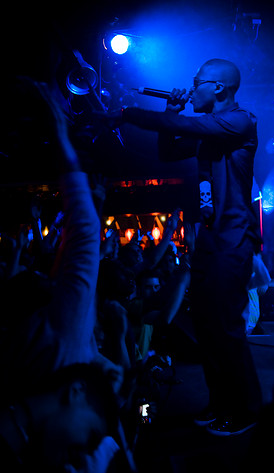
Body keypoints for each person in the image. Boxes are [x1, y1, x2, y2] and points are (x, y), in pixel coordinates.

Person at [102, 58, 263, 435]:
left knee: (226, 327)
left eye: (197, 83)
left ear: (218, 88)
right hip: (210, 237)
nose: (192, 89)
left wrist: (128, 113)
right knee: (207, 326)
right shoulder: (211, 132)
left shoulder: (240, 121)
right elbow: (169, 151)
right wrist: (170, 109)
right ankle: (220, 402)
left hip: (232, 236)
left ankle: (247, 410)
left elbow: (182, 126)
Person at [0, 79, 129, 471]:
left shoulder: (65, 334)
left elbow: (85, 236)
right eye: (93, 437)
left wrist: (61, 136)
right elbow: (82, 245)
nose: (89, 449)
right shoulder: (66, 344)